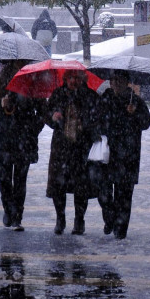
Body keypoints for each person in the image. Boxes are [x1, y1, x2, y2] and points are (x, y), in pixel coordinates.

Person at [0, 61, 45, 232]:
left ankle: (17, 215)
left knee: (20, 180)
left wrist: (32, 129)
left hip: (24, 140)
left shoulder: (32, 87)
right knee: (4, 178)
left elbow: (42, 113)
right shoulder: (0, 86)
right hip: (4, 139)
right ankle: (8, 210)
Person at [95, 71, 150, 240]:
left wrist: (134, 113)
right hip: (107, 152)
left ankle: (121, 231)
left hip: (129, 154)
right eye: (113, 80)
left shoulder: (135, 101)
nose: (115, 83)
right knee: (103, 191)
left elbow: (147, 122)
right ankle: (110, 218)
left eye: (119, 80)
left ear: (126, 82)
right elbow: (95, 120)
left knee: (124, 194)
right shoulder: (105, 99)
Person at [45, 70, 99, 235]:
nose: (73, 81)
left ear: (83, 79)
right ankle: (60, 219)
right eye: (70, 77)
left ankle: (79, 220)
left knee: (81, 187)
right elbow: (46, 115)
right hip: (61, 148)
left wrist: (86, 122)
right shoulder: (58, 94)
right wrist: (53, 117)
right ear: (65, 79)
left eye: (77, 77)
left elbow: (97, 118)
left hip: (81, 148)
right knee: (58, 185)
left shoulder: (90, 96)